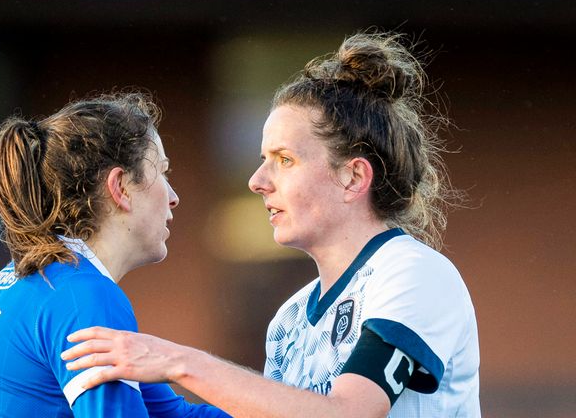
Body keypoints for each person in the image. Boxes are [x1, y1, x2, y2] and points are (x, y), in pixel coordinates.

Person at [61, 32, 481, 417]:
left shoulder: (413, 274)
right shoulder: (289, 320)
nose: (257, 182)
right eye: (263, 160)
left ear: (353, 177)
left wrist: (178, 361)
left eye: (284, 160)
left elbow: (352, 412)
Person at [0, 93, 230, 417]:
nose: (173, 197)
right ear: (120, 188)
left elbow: (174, 416)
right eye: (162, 172)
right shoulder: (83, 296)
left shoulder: (39, 281)